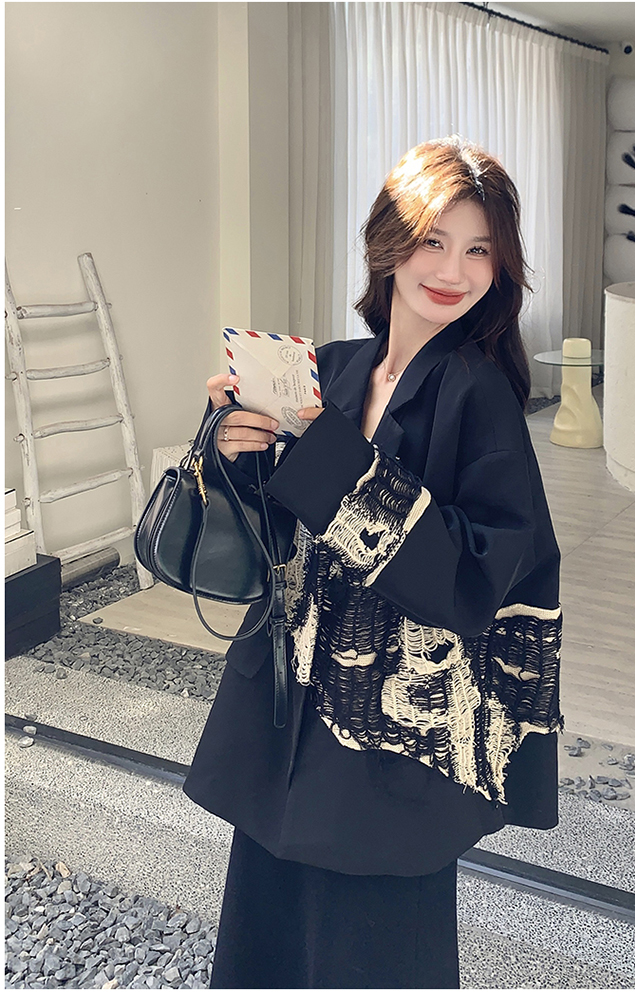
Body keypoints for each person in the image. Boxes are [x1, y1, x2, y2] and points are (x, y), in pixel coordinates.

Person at [183, 136, 563, 990]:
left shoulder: (478, 394)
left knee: (375, 948)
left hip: (392, 732)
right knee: (271, 922)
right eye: (434, 241)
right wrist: (235, 448)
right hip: (293, 706)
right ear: (387, 244)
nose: (453, 271)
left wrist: (323, 458)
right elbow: (276, 538)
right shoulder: (329, 368)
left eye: (479, 250)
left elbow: (472, 581)